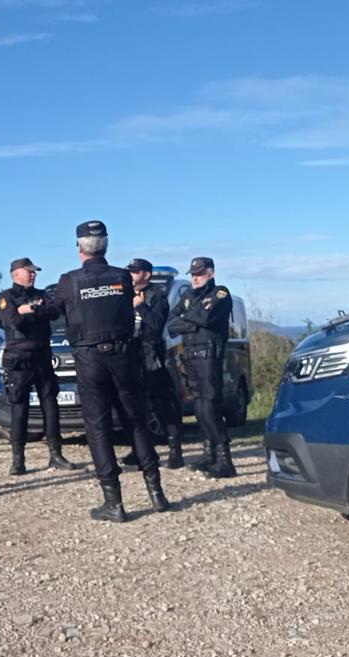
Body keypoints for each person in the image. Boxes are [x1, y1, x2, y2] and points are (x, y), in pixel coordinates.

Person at [50, 221, 169, 522]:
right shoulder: (122, 277)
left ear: (79, 249)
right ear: (106, 245)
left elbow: (53, 310)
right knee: (136, 421)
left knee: (98, 428)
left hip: (91, 361)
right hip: (124, 357)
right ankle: (157, 494)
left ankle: (113, 502)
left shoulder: (69, 281)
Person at [0, 257, 81, 475]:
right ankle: (18, 460)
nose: (33, 275)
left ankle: (56, 454)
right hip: (19, 360)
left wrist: (29, 309)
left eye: (34, 272)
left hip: (43, 357)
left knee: (50, 404)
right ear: (16, 274)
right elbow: (13, 321)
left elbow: (54, 312)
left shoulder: (42, 294)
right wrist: (26, 312)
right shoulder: (7, 297)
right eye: (29, 271)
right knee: (19, 408)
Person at [167, 257, 235, 478]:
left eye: (199, 273)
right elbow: (172, 322)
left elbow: (206, 318)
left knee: (209, 405)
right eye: (193, 274)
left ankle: (225, 458)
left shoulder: (220, 294)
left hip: (208, 357)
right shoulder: (188, 296)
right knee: (198, 406)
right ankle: (209, 452)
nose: (195, 278)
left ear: (211, 273)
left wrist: (188, 319)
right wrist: (192, 319)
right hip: (190, 357)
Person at [120, 258, 185, 470]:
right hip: (131, 355)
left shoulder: (157, 295)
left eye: (135, 272)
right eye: (129, 271)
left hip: (153, 355)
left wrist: (141, 308)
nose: (131, 275)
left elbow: (157, 324)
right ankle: (140, 450)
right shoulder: (124, 295)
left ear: (146, 275)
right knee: (135, 406)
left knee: (162, 404)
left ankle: (175, 451)